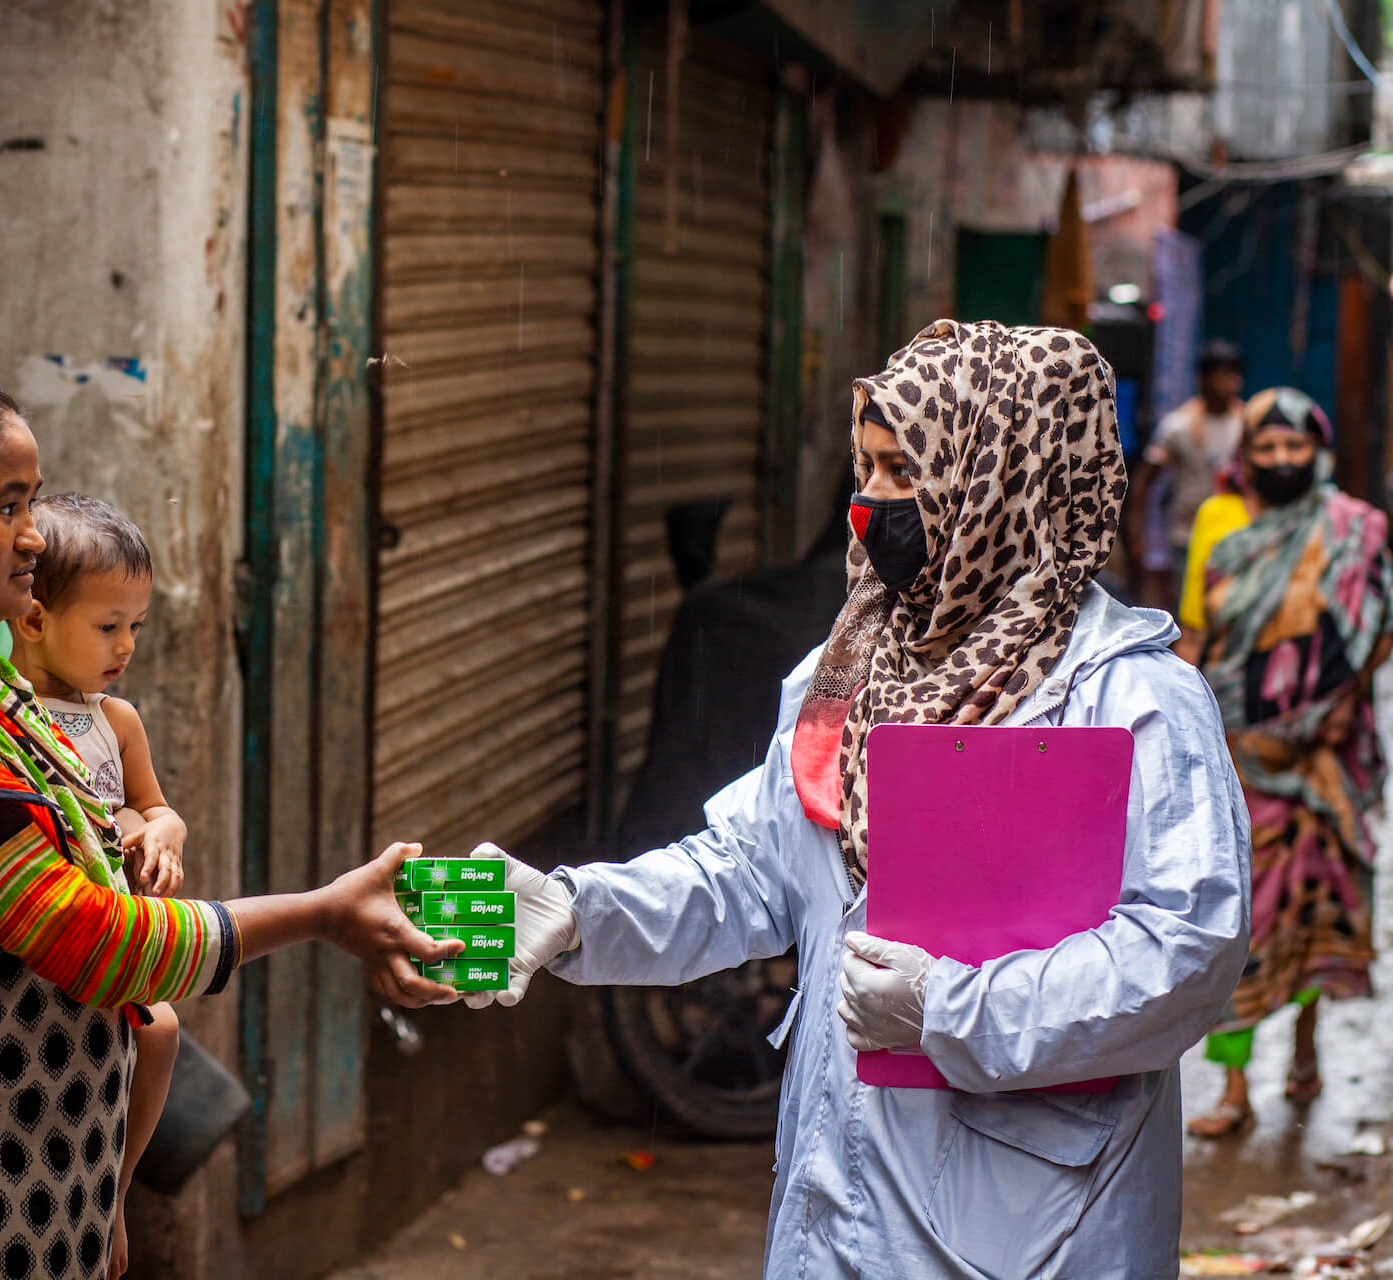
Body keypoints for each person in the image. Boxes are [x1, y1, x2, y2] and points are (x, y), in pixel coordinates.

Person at [403, 321, 1253, 1277]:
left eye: (904, 476)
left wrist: (954, 1009)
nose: (868, 506)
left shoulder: (1132, 702)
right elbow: (747, 877)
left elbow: (1185, 952)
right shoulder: (847, 673)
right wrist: (577, 912)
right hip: (837, 1212)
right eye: (869, 470)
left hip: (1042, 1227)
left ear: (1002, 482)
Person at [0, 366, 461, 1280]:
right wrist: (325, 912)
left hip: (23, 1194)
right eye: (6, 505)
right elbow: (104, 946)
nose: (32, 538)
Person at [1175, 387, 1391, 1139]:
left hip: (1325, 755)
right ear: (1244, 457)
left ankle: (1305, 1055)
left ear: (1318, 449)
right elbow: (1199, 635)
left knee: (1313, 906)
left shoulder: (1353, 531)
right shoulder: (1220, 523)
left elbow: (1376, 623)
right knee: (1241, 921)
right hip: (1243, 756)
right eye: (1266, 449)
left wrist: (1339, 704)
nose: (1280, 460)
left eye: (1294, 447)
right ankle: (1234, 1084)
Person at [5, 491, 185, 1273]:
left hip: (113, 941)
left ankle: (112, 1193)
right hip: (38, 948)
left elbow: (156, 808)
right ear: (34, 619)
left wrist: (162, 836)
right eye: (108, 627)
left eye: (135, 627)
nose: (126, 647)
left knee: (163, 1031)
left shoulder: (117, 722)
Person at [1128, 339, 1245, 610]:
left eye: (1234, 374)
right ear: (1203, 378)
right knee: (1190, 607)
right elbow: (1145, 480)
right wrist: (1137, 538)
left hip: (1234, 533)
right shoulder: (1178, 426)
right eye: (1221, 374)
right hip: (1187, 535)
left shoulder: (1245, 422)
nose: (1229, 383)